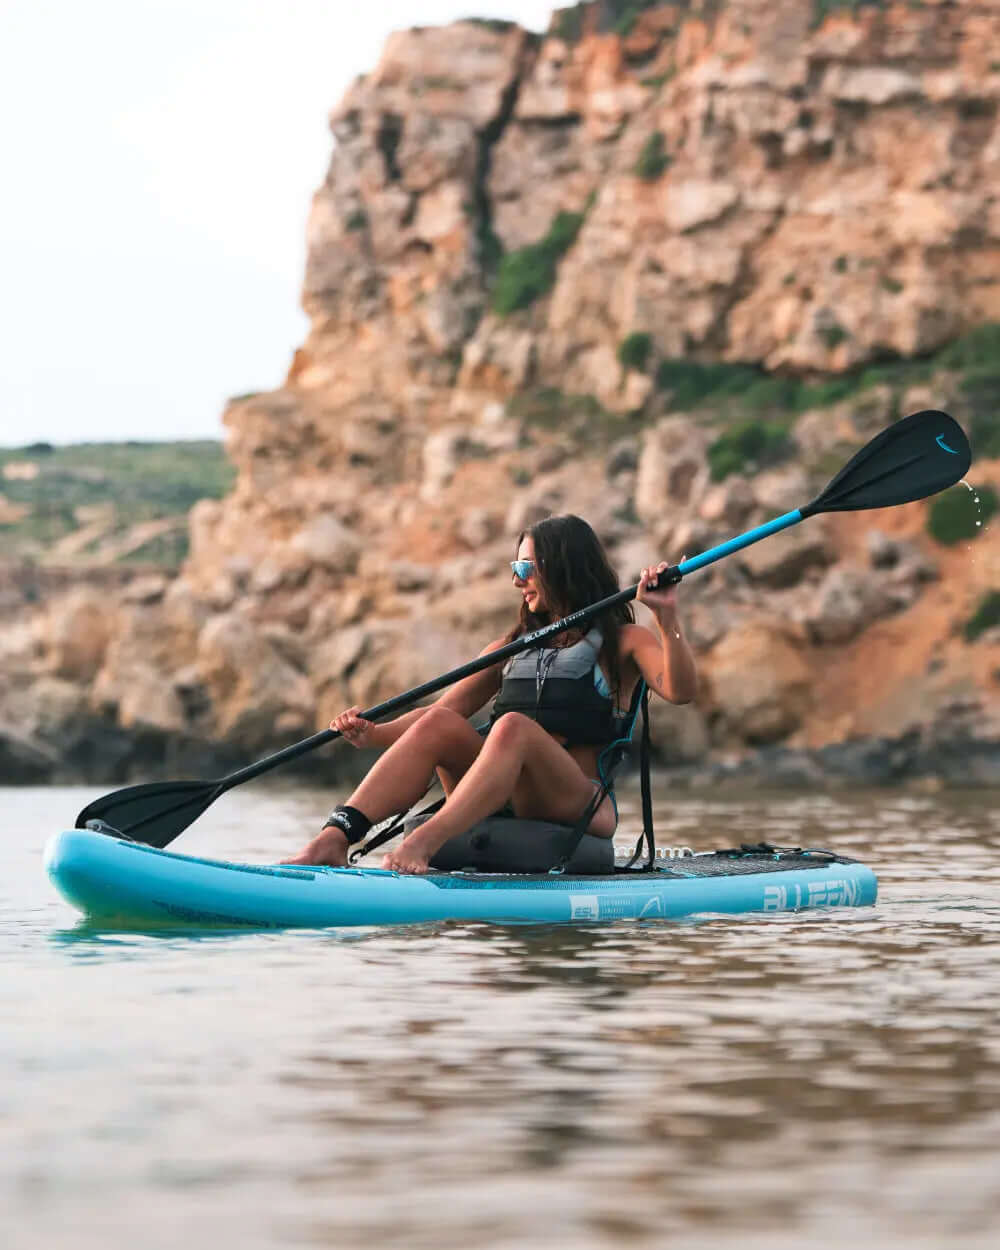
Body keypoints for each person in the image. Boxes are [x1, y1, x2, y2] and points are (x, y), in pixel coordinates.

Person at [283, 514, 698, 873]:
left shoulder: (623, 640)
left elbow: (680, 691)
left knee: (512, 727)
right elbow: (440, 715)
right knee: (442, 723)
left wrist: (666, 616)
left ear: (563, 568)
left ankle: (424, 841)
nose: (518, 581)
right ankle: (335, 838)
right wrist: (372, 732)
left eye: (527, 568)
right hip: (503, 796)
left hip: (575, 803)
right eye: (516, 568)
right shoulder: (510, 647)